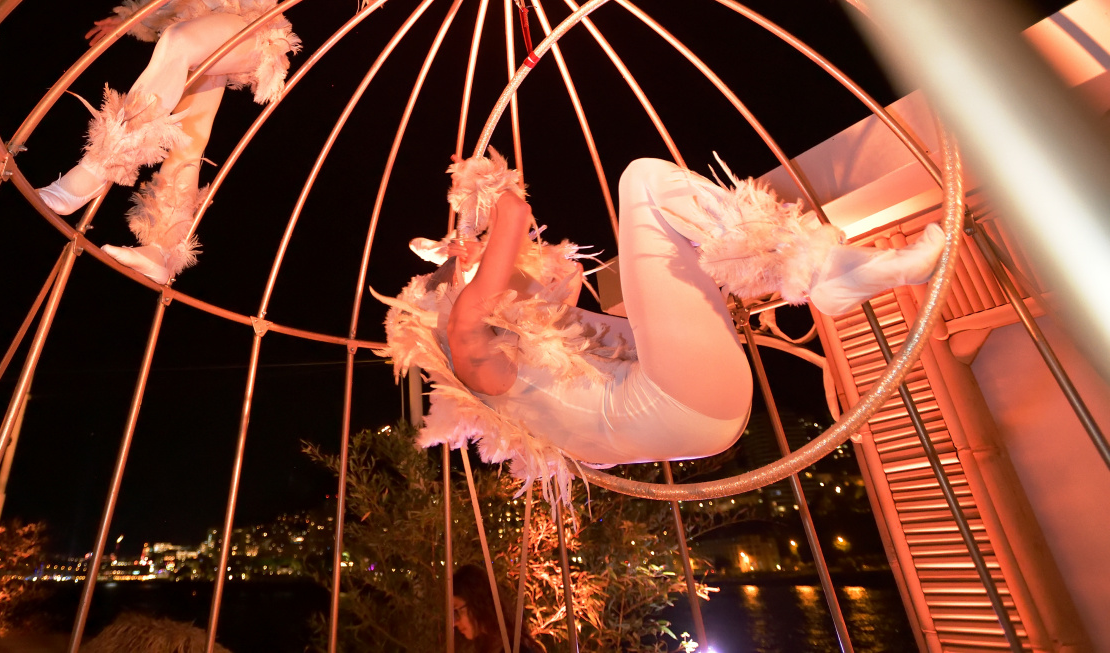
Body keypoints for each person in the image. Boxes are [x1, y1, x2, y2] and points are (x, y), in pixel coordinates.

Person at [377, 151, 944, 497]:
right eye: (462, 275)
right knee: (641, 180)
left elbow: (531, 281)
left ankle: (825, 267)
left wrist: (479, 248)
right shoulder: (470, 349)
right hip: (679, 401)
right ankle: (825, 269)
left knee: (674, 243)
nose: (473, 270)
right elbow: (510, 233)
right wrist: (490, 196)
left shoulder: (518, 362)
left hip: (700, 411)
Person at [39, 0, 430, 283]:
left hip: (252, 28)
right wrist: (134, 19)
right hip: (211, 23)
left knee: (179, 44)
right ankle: (162, 253)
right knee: (189, 134)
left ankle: (89, 175)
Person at [452, 564, 544, 653]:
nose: (454, 622)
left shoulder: (517, 648)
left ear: (476, 603)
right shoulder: (489, 645)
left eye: (457, 611)